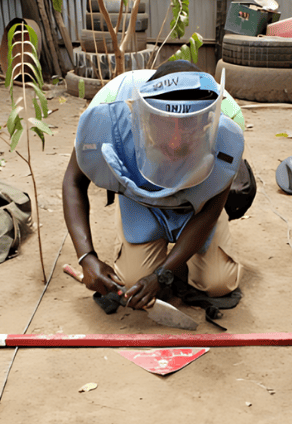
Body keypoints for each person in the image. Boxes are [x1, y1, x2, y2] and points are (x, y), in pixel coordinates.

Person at [62, 60, 245, 311]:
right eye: (167, 123)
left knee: (218, 284)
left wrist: (162, 275)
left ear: (207, 119)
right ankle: (158, 246)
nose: (175, 140)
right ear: (139, 113)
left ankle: (180, 256)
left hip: (196, 205)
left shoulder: (228, 120)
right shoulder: (108, 108)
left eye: (189, 125)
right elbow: (73, 180)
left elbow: (211, 209)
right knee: (131, 282)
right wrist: (87, 257)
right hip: (140, 199)